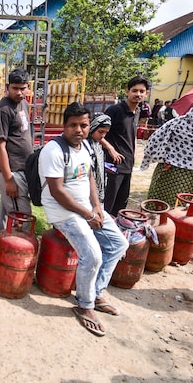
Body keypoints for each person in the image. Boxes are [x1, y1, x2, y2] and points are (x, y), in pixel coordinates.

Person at [38, 102, 128, 337]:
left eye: (83, 125)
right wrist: (88, 215)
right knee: (93, 254)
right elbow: (58, 192)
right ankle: (85, 306)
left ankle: (97, 292)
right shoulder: (53, 150)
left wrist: (98, 206)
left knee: (120, 244)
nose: (78, 130)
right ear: (64, 126)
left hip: (86, 208)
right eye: (73, 125)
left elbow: (88, 176)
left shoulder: (85, 147)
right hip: (64, 212)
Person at [140, 98, 193, 206]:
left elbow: (157, 139)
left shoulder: (177, 122)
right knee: (174, 209)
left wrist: (164, 157)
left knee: (155, 203)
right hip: (184, 177)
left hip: (164, 168)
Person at [0, 69, 34, 229]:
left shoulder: (23, 104)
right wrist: (9, 180)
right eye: (15, 88)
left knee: (9, 208)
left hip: (22, 167)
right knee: (21, 217)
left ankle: (2, 246)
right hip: (11, 170)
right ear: (7, 87)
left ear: (28, 87)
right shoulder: (2, 110)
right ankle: (19, 250)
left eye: (23, 88)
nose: (19, 92)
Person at [100, 75, 148, 216]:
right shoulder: (115, 111)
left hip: (128, 164)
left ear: (146, 94)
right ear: (127, 92)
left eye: (141, 91)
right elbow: (96, 133)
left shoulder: (137, 111)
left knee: (121, 203)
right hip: (112, 164)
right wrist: (111, 149)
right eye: (134, 91)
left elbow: (131, 134)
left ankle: (116, 229)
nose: (138, 94)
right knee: (108, 202)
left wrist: (135, 151)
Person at [86, 113, 112, 205]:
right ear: (92, 127)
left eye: (106, 133)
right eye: (101, 132)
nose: (103, 136)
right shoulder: (83, 145)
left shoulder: (97, 145)